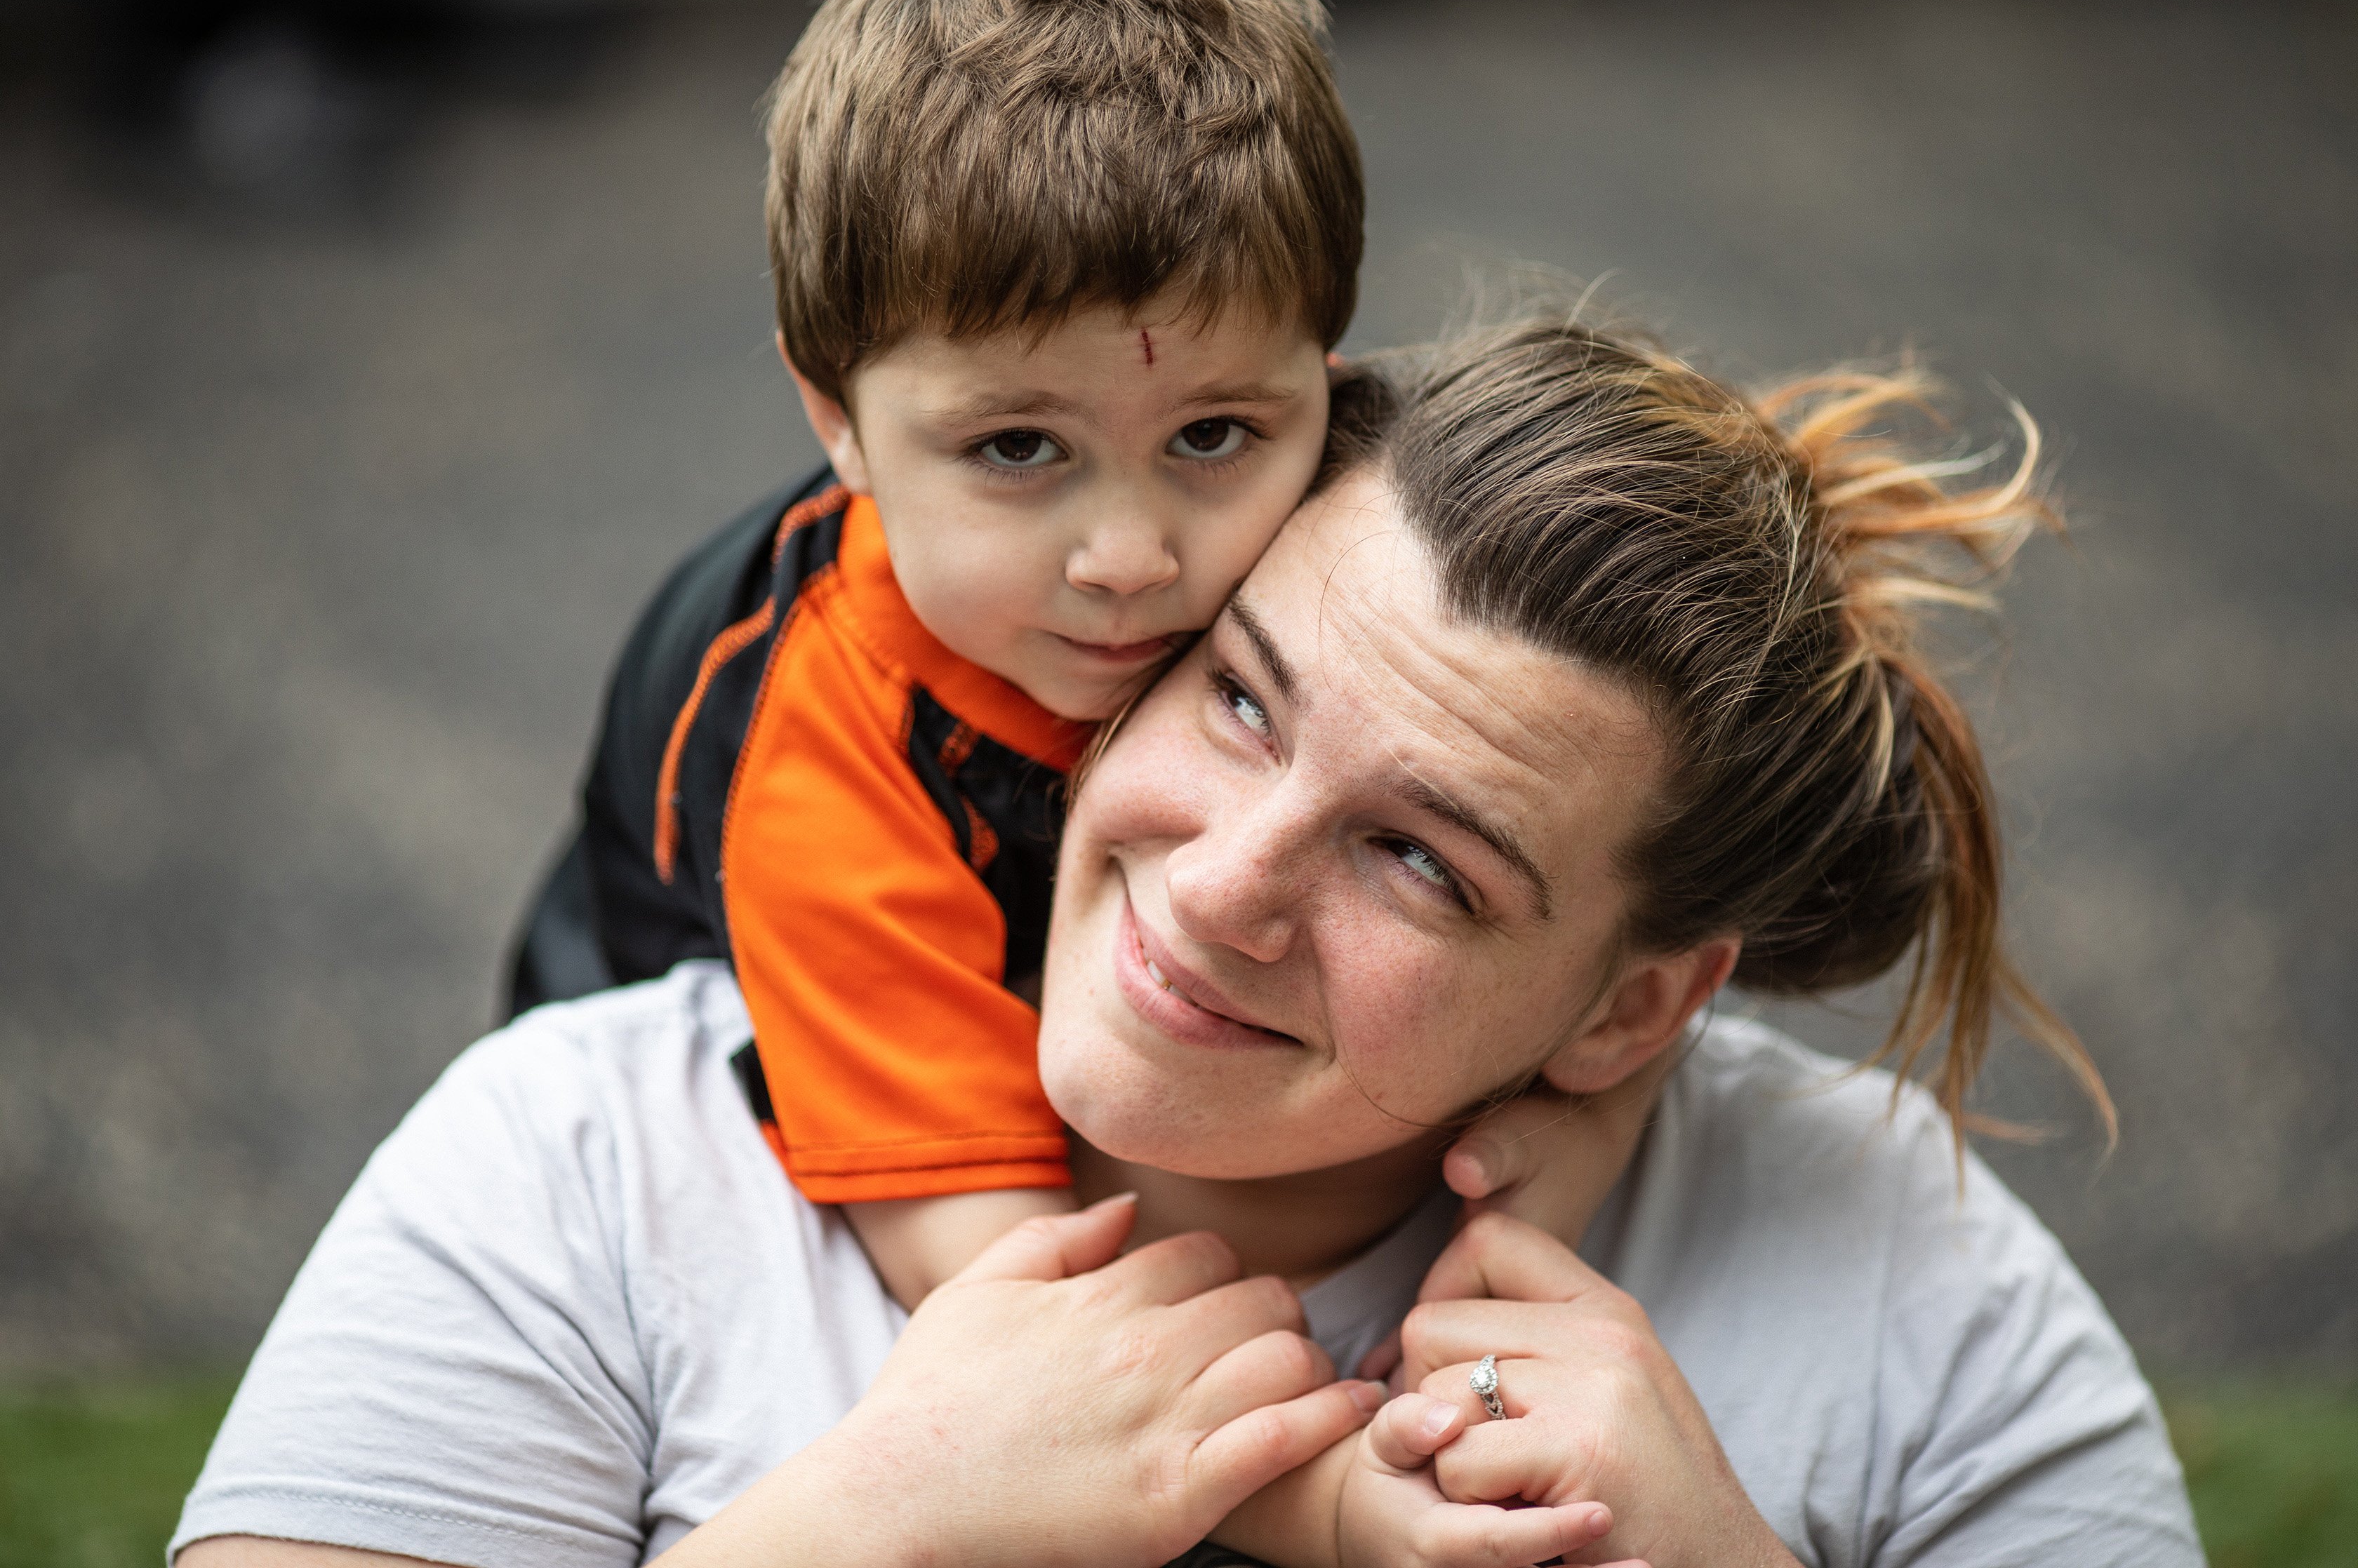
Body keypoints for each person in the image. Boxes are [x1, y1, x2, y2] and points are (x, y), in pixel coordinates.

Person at [173, 316, 2202, 1568]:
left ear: (1637, 1006)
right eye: (1241, 697)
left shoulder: (1913, 1290)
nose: (1222, 881)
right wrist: (873, 1519)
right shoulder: (589, 1160)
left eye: (1425, 862)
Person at [507, 0, 1627, 1318]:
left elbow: (1683, 825)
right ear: (837, 417)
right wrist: (1318, 1506)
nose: (1130, 556)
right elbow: (1004, 1288)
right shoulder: (820, 741)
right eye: (1017, 450)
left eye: (1211, 435)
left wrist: (1601, 1108)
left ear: (1326, 368)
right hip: (712, 1116)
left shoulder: (1349, 488)